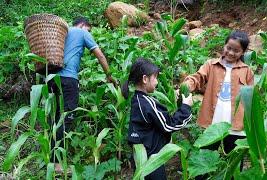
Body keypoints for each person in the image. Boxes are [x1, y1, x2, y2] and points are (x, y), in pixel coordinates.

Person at [181, 30, 253, 179]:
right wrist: (187, 85)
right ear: (224, 45)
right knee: (204, 161)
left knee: (233, 166)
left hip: (236, 126)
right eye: (229, 48)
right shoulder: (211, 65)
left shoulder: (247, 71)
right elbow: (198, 78)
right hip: (212, 123)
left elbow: (252, 98)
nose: (231, 52)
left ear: (243, 52)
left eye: (236, 50)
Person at [48, 17, 113, 167]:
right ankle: (56, 163)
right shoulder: (82, 32)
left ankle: (51, 157)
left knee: (56, 116)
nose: (89, 32)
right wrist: (109, 76)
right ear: (83, 25)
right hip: (68, 79)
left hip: (52, 78)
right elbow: (100, 55)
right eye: (89, 29)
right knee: (67, 117)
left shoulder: (62, 33)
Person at [121, 58, 193, 180]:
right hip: (152, 160)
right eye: (155, 78)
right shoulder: (148, 103)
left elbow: (156, 122)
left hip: (140, 157)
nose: (157, 82)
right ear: (145, 79)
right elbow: (168, 125)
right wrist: (186, 107)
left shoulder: (137, 100)